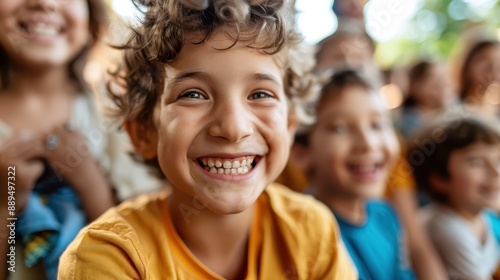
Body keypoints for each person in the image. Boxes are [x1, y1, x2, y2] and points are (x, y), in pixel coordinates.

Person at [58, 0, 357, 279]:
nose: (233, 127)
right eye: (193, 94)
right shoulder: (109, 256)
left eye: (260, 94)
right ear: (144, 132)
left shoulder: (312, 231)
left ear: (290, 128)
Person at [0, 0, 162, 279]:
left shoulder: (114, 118)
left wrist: (93, 186)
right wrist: (6, 203)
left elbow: (145, 253)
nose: (44, 3)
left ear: (90, 24)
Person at [299, 70, 416, 279]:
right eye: (340, 128)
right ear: (301, 152)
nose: (368, 144)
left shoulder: (385, 216)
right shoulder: (302, 232)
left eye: (377, 124)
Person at [408, 113, 500, 279]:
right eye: (476, 161)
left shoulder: (483, 216)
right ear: (439, 179)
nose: (496, 172)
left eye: (498, 159)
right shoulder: (447, 227)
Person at [398, 60, 456, 140]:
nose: (444, 89)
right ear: (415, 86)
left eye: (446, 84)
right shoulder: (409, 121)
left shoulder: (454, 111)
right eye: (436, 85)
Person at [459, 40, 500, 119]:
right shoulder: (450, 108)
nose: (493, 68)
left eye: (499, 62)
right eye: (484, 60)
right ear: (468, 65)